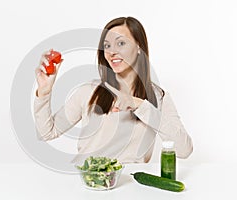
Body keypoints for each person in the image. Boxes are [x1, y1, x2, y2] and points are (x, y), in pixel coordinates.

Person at [34, 16, 193, 164]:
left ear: (139, 47)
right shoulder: (89, 91)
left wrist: (140, 105)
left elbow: (184, 150)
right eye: (107, 45)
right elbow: (47, 133)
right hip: (88, 182)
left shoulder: (158, 97)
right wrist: (44, 91)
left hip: (131, 187)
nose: (111, 52)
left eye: (121, 43)